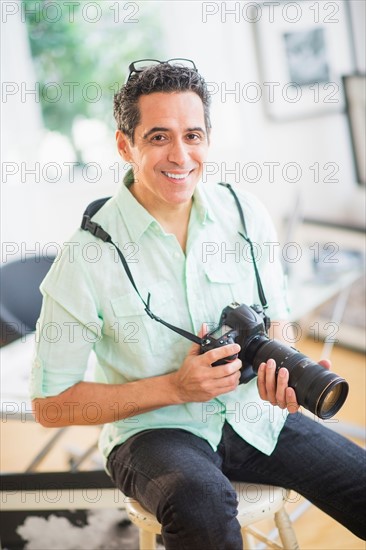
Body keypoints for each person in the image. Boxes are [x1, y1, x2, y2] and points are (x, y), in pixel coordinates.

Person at [31, 59, 365, 549]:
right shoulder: (86, 255)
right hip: (152, 433)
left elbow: (281, 322)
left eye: (193, 135)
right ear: (126, 145)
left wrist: (283, 369)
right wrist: (175, 387)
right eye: (159, 136)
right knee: (200, 500)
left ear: (208, 139)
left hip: (255, 416)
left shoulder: (245, 213)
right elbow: (49, 406)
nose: (180, 155)